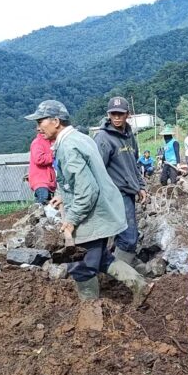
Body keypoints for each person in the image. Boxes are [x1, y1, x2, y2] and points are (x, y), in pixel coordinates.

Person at [24, 100, 151, 306]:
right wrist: (63, 195)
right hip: (102, 210)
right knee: (100, 258)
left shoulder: (68, 147)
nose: (38, 127)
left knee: (81, 266)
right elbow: (81, 179)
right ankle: (139, 284)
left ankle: (90, 312)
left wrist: (72, 219)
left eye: (41, 121)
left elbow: (87, 190)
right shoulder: (81, 138)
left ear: (56, 121)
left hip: (91, 215)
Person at [93, 96, 149, 266]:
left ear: (128, 115)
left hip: (129, 192)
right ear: (108, 115)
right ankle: (119, 274)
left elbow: (134, 163)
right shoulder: (103, 138)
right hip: (115, 194)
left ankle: (119, 267)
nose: (117, 117)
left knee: (125, 234)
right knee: (129, 237)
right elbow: (96, 169)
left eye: (120, 114)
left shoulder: (129, 136)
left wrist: (140, 186)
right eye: (113, 114)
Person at [28, 127, 56, 204]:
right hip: (41, 180)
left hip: (47, 181)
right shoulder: (37, 143)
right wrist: (53, 155)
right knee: (43, 202)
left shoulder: (50, 142)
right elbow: (39, 159)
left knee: (47, 204)